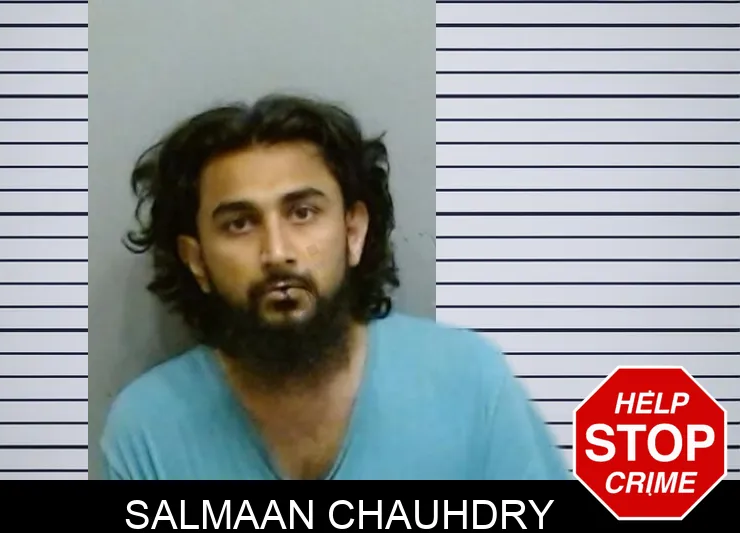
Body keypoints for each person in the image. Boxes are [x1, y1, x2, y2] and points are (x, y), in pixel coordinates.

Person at [100, 94, 569, 480]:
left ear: (353, 232)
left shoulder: (468, 382)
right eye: (240, 224)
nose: (277, 252)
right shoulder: (147, 428)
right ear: (197, 260)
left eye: (302, 213)